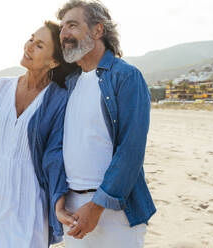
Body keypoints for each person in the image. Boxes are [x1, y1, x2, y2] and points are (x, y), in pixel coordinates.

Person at [0, 21, 78, 248]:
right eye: (32, 38)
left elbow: (56, 156)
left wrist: (59, 205)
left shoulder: (59, 99)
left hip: (28, 197)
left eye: (40, 45)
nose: (29, 46)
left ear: (53, 61)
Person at [54, 1, 156, 247]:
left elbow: (131, 151)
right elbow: (57, 148)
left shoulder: (126, 76)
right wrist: (59, 203)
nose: (64, 34)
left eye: (72, 25)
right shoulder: (70, 83)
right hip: (72, 210)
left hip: (115, 211)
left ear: (98, 30)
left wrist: (97, 207)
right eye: (62, 27)